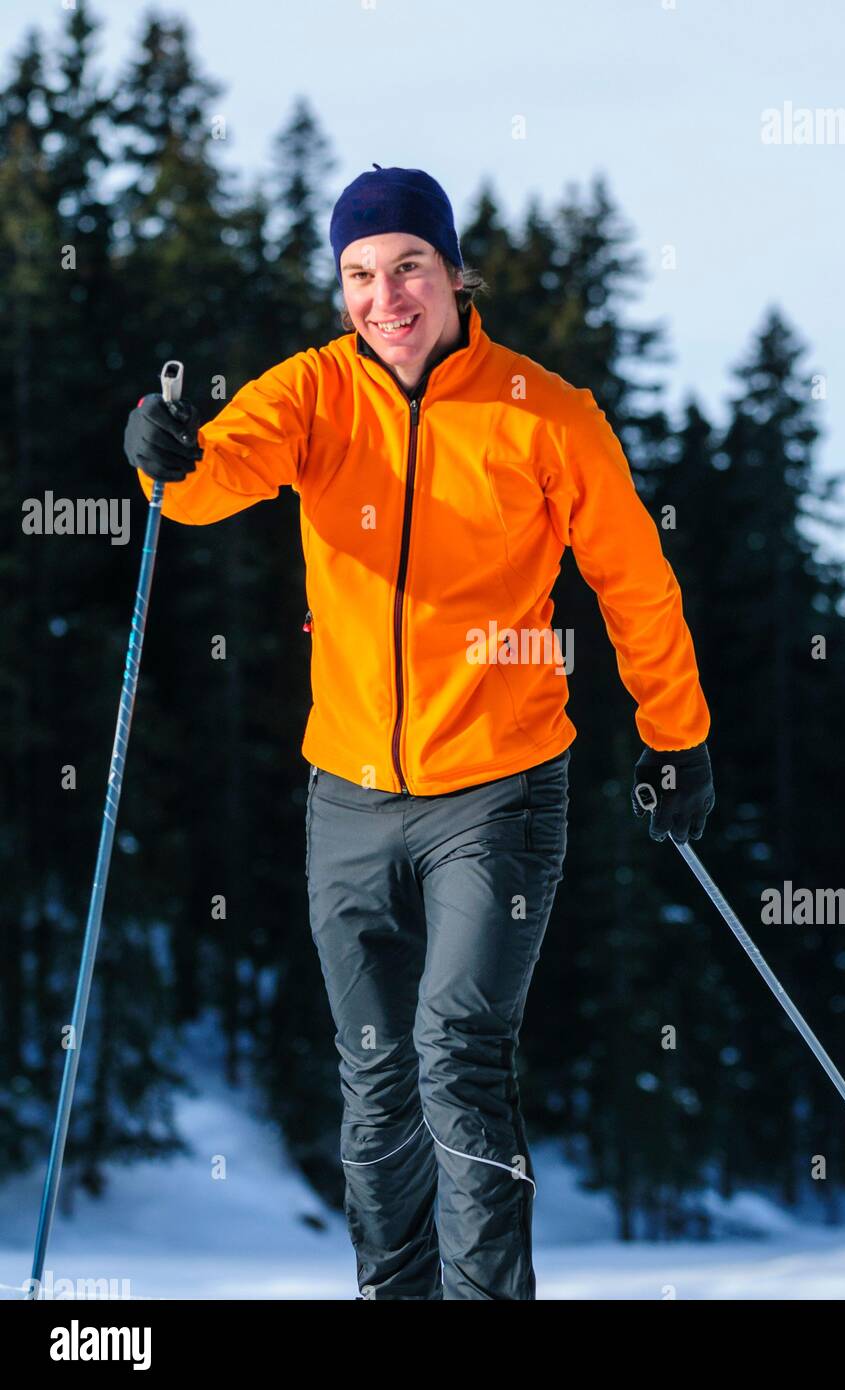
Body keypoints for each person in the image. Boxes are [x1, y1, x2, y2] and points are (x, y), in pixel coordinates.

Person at [123, 165, 715, 1300]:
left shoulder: (545, 414)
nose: (383, 295)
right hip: (343, 793)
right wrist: (164, 452)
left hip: (497, 788)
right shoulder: (310, 395)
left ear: (453, 275)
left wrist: (675, 734)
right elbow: (214, 475)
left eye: (407, 267)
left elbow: (633, 582)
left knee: (456, 1051)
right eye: (358, 273)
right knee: (374, 1074)